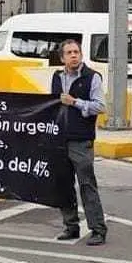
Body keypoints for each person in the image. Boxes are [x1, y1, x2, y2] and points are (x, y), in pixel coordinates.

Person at [51, 39, 108, 246]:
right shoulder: (57, 78)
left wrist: (75, 103)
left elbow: (100, 106)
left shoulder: (91, 78)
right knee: (64, 186)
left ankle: (98, 229)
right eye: (69, 52)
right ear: (62, 57)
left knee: (87, 185)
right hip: (60, 140)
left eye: (76, 52)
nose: (74, 55)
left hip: (81, 141)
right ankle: (71, 226)